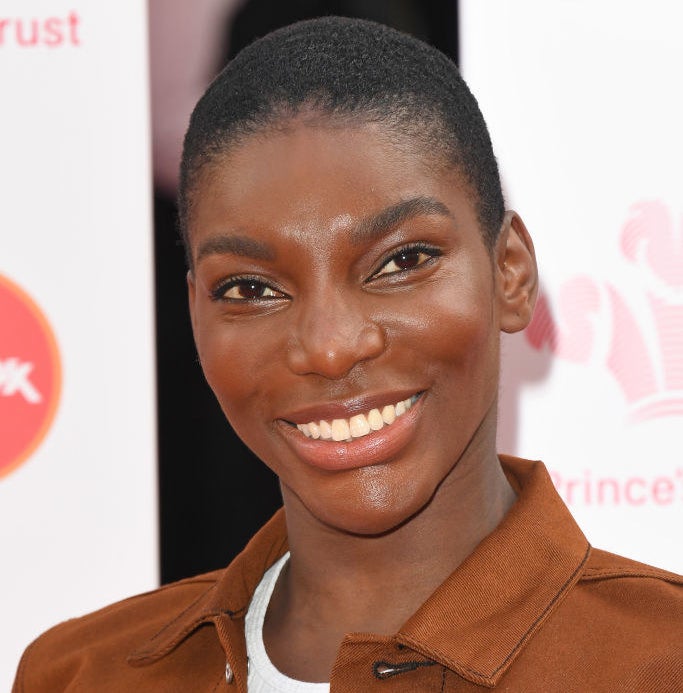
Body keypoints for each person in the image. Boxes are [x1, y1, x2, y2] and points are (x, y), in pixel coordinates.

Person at [13, 17, 682, 693]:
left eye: (401, 260)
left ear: (509, 270)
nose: (330, 347)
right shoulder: (80, 672)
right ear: (195, 315)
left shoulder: (659, 660)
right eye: (250, 288)